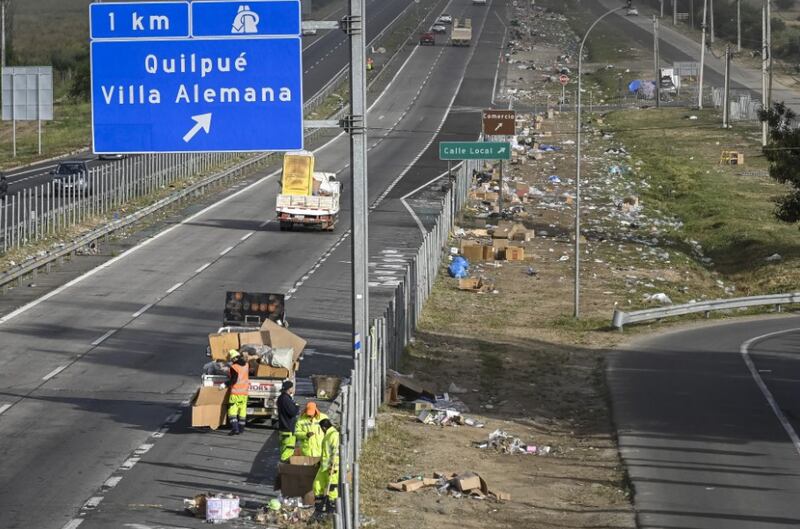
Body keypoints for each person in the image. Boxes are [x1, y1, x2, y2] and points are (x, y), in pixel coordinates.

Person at [312, 419, 340, 517]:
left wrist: (333, 465)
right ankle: (319, 506)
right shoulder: (328, 434)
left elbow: (335, 451)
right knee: (317, 484)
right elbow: (326, 452)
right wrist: (320, 462)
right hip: (324, 467)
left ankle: (331, 508)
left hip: (332, 467)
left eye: (321, 428)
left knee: (332, 488)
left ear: (324, 427)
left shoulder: (334, 435)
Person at [227, 349, 249, 436]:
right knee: (242, 412)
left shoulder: (234, 367)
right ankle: (241, 429)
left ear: (234, 358)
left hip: (236, 393)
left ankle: (235, 429)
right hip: (244, 393)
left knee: (232, 412)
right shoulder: (246, 364)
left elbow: (233, 380)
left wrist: (224, 384)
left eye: (231, 359)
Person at [276, 380, 299, 461]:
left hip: (282, 427)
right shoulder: (286, 399)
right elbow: (292, 412)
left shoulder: (280, 398)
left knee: (283, 448)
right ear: (289, 389)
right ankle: (284, 466)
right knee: (288, 450)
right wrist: (296, 406)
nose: (293, 389)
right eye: (292, 387)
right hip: (288, 428)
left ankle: (282, 468)